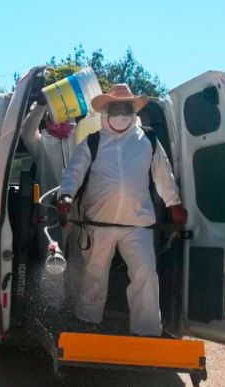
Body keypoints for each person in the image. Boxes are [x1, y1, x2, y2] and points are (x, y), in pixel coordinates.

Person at [56, 84, 188, 337]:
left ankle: (148, 330)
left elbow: (163, 173)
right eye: (116, 108)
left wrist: (174, 203)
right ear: (106, 111)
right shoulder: (93, 142)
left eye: (126, 108)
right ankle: (87, 320)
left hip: (137, 225)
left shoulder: (147, 139)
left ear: (133, 111)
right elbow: (74, 171)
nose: (121, 114)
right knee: (94, 275)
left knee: (146, 274)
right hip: (97, 223)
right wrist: (66, 195)